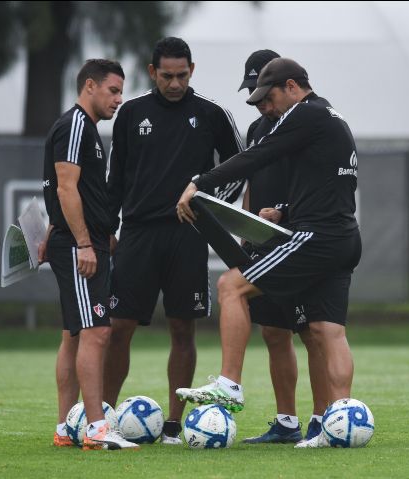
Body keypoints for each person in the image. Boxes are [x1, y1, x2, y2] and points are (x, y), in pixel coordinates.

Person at [174, 58, 362, 449]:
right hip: (343, 237)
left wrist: (199, 182)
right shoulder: (333, 118)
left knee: (231, 287)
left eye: (270, 97)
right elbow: (334, 189)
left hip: (315, 237)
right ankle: (339, 423)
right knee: (329, 331)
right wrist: (285, 212)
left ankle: (229, 385)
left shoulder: (305, 115)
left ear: (292, 87)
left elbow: (256, 157)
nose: (267, 107)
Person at [103, 37, 244, 445]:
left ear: (192, 71)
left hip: (188, 236)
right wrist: (108, 228)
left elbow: (238, 165)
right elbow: (116, 179)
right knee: (119, 327)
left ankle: (173, 426)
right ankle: (107, 418)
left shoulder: (212, 114)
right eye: (167, 76)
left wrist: (211, 208)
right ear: (152, 73)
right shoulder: (131, 114)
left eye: (182, 75)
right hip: (138, 234)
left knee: (183, 327)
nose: (176, 83)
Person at [42, 58, 138, 450]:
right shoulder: (77, 125)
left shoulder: (81, 127)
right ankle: (97, 428)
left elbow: (67, 190)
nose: (119, 98)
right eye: (113, 90)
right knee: (98, 332)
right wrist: (84, 242)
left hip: (83, 240)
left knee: (73, 335)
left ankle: (67, 428)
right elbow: (66, 188)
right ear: (90, 87)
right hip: (82, 247)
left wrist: (66, 231)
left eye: (120, 90)